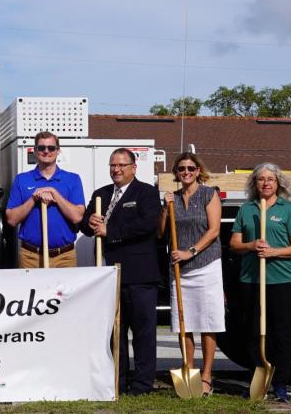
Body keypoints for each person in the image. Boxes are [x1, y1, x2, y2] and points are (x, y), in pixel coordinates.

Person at [80, 148, 160, 396]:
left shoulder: (146, 192)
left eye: (121, 165)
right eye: (112, 165)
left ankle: (142, 384)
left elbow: (147, 224)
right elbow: (84, 224)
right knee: (116, 332)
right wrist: (90, 223)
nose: (116, 169)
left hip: (139, 274)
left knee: (142, 332)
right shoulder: (101, 194)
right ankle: (119, 380)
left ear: (133, 167)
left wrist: (110, 230)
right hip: (109, 275)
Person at [229, 162, 291, 402]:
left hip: (282, 280)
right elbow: (234, 244)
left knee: (280, 332)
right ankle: (257, 375)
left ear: (278, 183)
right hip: (252, 279)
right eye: (261, 179)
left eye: (270, 179)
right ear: (255, 183)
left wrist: (274, 252)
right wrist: (251, 246)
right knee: (252, 330)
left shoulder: (287, 210)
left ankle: (281, 382)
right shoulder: (247, 209)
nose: (265, 183)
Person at [160, 151, 225, 395]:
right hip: (179, 269)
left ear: (198, 171)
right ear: (176, 173)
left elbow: (214, 230)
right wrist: (166, 209)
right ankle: (189, 368)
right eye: (181, 169)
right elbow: (161, 231)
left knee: (208, 322)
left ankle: (207, 375)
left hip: (206, 265)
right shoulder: (172, 198)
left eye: (190, 168)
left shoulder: (210, 194)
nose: (186, 172)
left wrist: (191, 251)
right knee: (183, 323)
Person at [5, 131, 85, 268]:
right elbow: (11, 219)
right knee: (31, 290)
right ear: (35, 151)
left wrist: (55, 194)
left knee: (65, 291)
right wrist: (33, 199)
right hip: (31, 257)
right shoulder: (22, 180)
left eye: (51, 148)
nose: (46, 151)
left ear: (58, 151)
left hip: (64, 257)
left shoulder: (72, 179)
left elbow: (77, 217)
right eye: (41, 148)